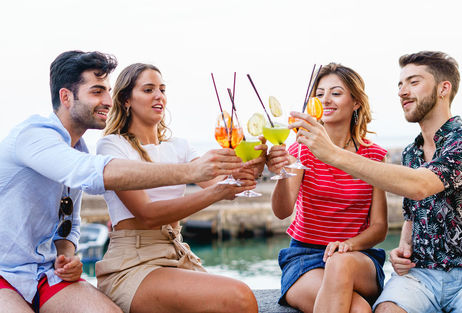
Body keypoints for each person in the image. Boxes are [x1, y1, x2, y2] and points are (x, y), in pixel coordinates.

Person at [0, 51, 246, 313]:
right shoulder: (35, 137)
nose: (108, 100)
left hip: (45, 275)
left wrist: (67, 256)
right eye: (97, 92)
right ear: (66, 97)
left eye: (108, 91)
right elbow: (98, 173)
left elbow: (69, 224)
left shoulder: (78, 150)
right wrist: (193, 172)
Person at [289, 51, 462, 313]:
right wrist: (402, 250)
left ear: (443, 88)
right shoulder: (412, 153)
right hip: (418, 278)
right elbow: (412, 217)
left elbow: (421, 185)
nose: (402, 91)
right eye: (400, 84)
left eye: (413, 82)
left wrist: (332, 154)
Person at [95, 63, 264, 313]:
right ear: (126, 99)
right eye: (148, 89)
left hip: (176, 255)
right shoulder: (112, 146)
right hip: (132, 264)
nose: (159, 96)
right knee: (239, 298)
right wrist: (219, 192)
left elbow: (225, 185)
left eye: (162, 89)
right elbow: (147, 213)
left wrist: (253, 166)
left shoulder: (179, 146)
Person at [267, 63, 388, 313]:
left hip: (358, 257)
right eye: (320, 94)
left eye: (336, 92)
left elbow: (379, 228)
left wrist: (349, 245)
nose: (326, 100)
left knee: (340, 262)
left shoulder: (374, 156)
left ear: (356, 102)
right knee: (359, 311)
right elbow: (281, 211)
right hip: (305, 258)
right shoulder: (301, 150)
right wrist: (281, 173)